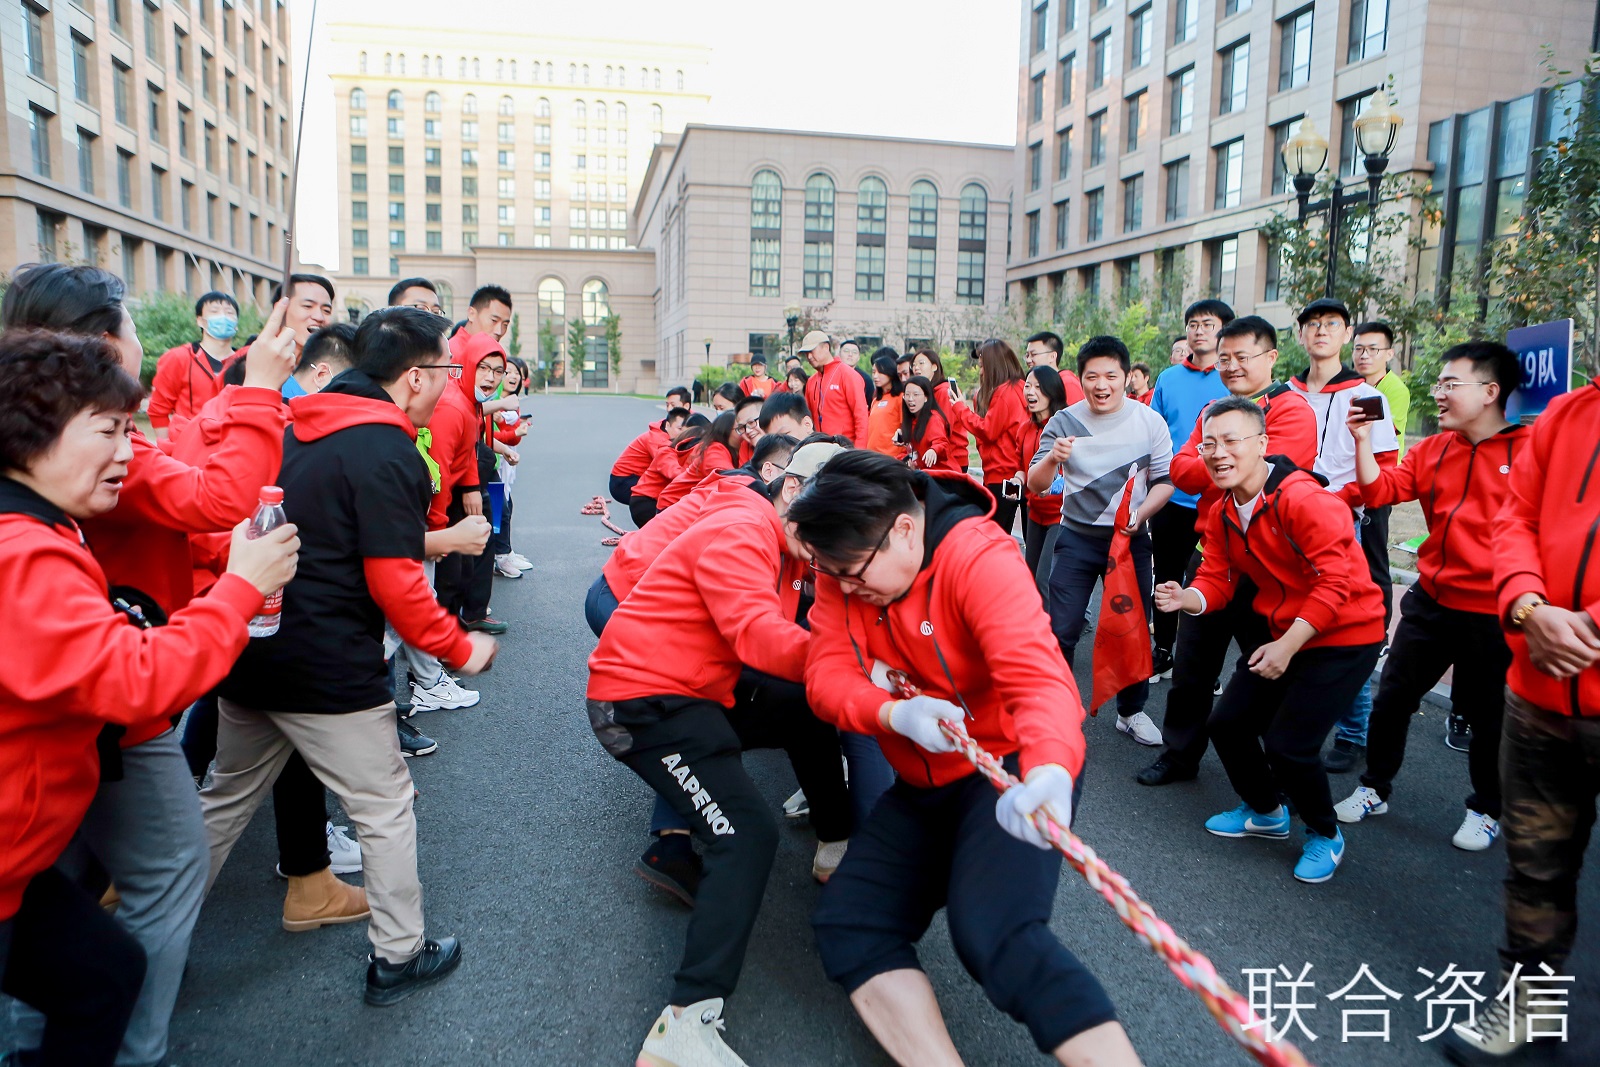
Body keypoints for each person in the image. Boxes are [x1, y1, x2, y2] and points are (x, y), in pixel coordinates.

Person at [1, 264, 295, 1067]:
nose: (130, 455)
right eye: (112, 432)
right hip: (102, 742)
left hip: (35, 823)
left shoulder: (46, 519)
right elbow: (135, 674)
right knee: (163, 872)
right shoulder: (24, 552)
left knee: (91, 968)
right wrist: (240, 586)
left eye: (132, 432)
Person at [792, 451, 1140, 1067]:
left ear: (904, 528)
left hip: (1008, 768)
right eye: (832, 574)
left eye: (852, 571)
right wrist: (892, 714)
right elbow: (825, 674)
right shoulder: (844, 566)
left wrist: (1051, 770)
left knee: (996, 937)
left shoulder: (976, 557)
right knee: (850, 922)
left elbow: (1038, 678)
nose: (846, 587)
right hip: (921, 777)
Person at [200, 307, 499, 1007]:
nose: (450, 385)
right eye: (448, 371)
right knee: (385, 805)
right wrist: (459, 647)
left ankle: (145, 932)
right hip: (331, 665)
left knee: (220, 800)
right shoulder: (386, 449)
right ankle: (399, 955)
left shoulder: (294, 428)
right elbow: (394, 578)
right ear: (417, 376)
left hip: (255, 645)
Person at [586, 443, 854, 1067]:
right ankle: (684, 1023)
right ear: (794, 494)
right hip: (644, 707)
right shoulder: (744, 529)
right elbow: (758, 633)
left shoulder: (790, 548)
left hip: (695, 693)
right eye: (839, 530)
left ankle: (836, 841)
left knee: (803, 706)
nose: (842, 554)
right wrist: (850, 665)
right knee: (748, 835)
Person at [1436, 371, 1600, 1061]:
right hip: (1537, 694)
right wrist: (1531, 607)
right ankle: (1531, 1002)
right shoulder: (1569, 414)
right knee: (1535, 865)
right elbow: (1515, 519)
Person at [1156, 397, 1385, 884]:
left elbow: (1335, 584)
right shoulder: (1221, 509)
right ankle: (1265, 812)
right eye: (1209, 444)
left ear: (1262, 444)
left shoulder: (1304, 499)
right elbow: (1216, 578)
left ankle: (1325, 834)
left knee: (1288, 746)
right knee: (1229, 723)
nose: (1218, 453)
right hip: (1286, 629)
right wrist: (1188, 599)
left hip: (1346, 634)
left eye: (1231, 441)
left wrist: (1286, 647)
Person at [1334, 341, 1526, 853]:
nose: (1436, 393)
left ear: (1490, 392)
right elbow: (1379, 492)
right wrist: (1360, 441)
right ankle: (1375, 787)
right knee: (1393, 698)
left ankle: (1486, 809)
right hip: (1432, 601)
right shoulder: (1432, 449)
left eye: (1449, 384)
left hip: (1497, 612)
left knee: (1490, 719)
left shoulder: (1532, 451)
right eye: (1438, 383)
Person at [1137, 315, 1318, 788]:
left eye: (1243, 356)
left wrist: (1210, 459)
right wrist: (1218, 460)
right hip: (1213, 552)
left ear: (1272, 357)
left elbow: (1267, 471)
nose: (1232, 366)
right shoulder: (1215, 409)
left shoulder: (1292, 409)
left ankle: (1270, 768)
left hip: (1267, 562)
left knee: (1263, 664)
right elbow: (1181, 469)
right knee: (1192, 664)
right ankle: (1180, 754)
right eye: (1225, 358)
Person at [1027, 336, 1173, 744]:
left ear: (1127, 377)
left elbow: (1165, 481)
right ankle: (1055, 706)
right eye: (1092, 376)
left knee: (1131, 630)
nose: (1101, 384)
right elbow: (1035, 484)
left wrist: (1139, 515)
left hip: (1130, 542)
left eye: (1111, 375)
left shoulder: (1149, 422)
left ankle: (1131, 711)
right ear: (1082, 379)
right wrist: (1054, 458)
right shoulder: (1064, 422)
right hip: (1075, 536)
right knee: (1062, 626)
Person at [1285, 297, 1400, 774]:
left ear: (1347, 334)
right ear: (1299, 335)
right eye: (1312, 324)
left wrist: (1341, 497)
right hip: (1286, 518)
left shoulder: (1365, 396)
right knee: (1295, 618)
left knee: (1340, 624)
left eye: (1331, 324)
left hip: (1338, 518)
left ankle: (1354, 731)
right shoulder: (1284, 392)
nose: (1320, 332)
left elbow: (1386, 468)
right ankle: (1297, 724)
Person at [1146, 299, 1233, 683]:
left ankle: (1204, 663)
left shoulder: (1231, 380)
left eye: (1208, 324)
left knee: (1205, 578)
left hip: (1216, 502)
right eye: (1193, 324)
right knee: (1165, 575)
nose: (1199, 330)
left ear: (1223, 331)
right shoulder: (1168, 378)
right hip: (1172, 496)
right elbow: (1155, 430)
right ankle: (1163, 650)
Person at [949, 338, 1030, 533]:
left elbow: (988, 430)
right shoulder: (1020, 386)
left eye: (982, 366)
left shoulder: (1004, 393)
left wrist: (960, 408)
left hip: (1002, 474)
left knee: (995, 537)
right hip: (1020, 472)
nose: (980, 371)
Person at [146, 291, 240, 438]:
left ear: (236, 324)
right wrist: (167, 449)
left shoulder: (244, 361)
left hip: (232, 443)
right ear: (200, 320)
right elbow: (158, 410)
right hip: (189, 445)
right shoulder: (179, 357)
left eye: (229, 313)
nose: (223, 317)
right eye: (214, 311)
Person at [1018, 365, 1070, 599]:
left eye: (1038, 387)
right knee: (1028, 577)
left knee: (1045, 581)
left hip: (1060, 514)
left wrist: (1053, 485)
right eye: (1028, 386)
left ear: (1052, 392)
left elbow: (1073, 472)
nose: (1031, 392)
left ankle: (1056, 632)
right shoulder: (1024, 429)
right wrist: (1018, 479)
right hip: (1034, 512)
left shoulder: (1065, 426)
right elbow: (1021, 466)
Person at [253, 275, 335, 384]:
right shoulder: (252, 363)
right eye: (308, 306)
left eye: (326, 310)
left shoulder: (334, 369)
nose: (319, 317)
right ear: (281, 310)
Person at [631, 413, 710, 527]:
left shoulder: (681, 451)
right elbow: (675, 474)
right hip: (646, 502)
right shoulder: (667, 451)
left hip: (656, 500)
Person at [657, 411, 738, 511]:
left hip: (681, 502)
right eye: (739, 429)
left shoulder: (725, 449)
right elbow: (729, 478)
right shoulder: (714, 450)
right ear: (725, 431)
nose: (746, 432)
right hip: (672, 504)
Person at [801, 331, 869, 445]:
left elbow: (861, 418)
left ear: (826, 347)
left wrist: (858, 454)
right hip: (820, 449)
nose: (809, 356)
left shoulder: (848, 375)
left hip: (844, 450)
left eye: (812, 351)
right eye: (806, 353)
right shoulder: (811, 382)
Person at [612, 408, 691, 506]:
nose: (683, 433)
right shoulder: (658, 440)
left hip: (635, 477)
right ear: (667, 425)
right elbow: (668, 467)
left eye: (686, 430)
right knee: (669, 494)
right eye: (679, 429)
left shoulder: (669, 434)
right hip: (623, 481)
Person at [910, 348, 969, 471]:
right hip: (935, 457)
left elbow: (945, 428)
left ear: (934, 367)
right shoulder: (928, 393)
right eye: (914, 365)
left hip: (952, 459)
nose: (916, 368)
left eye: (921, 363)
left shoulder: (943, 391)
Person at [900, 376, 959, 472]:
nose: (910, 399)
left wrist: (933, 450)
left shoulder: (933, 418)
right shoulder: (910, 421)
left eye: (916, 394)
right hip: (925, 473)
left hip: (944, 474)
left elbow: (941, 442)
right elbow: (906, 450)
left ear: (926, 398)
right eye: (907, 394)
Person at [1024, 330, 1087, 403]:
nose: (1028, 360)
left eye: (1033, 354)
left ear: (1052, 356)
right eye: (1027, 355)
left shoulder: (1067, 383)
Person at [866, 355, 907, 457]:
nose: (875, 376)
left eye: (880, 372)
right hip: (872, 455)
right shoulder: (876, 399)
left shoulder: (900, 398)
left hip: (891, 457)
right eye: (873, 372)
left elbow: (905, 429)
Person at [836, 339, 876, 406]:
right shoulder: (831, 375)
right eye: (846, 351)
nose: (850, 354)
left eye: (854, 352)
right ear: (839, 354)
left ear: (858, 357)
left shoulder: (865, 379)